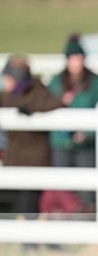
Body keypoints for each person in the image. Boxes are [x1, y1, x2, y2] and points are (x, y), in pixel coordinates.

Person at [0, 54, 63, 220]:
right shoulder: (6, 95)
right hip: (14, 158)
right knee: (18, 204)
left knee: (29, 204)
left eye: (7, 78)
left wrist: (30, 109)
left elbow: (56, 104)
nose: (4, 81)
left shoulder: (38, 92)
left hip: (35, 158)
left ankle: (31, 233)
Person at [47, 33, 98, 213]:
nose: (76, 63)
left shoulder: (94, 82)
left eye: (79, 58)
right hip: (61, 141)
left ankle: (89, 217)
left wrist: (87, 133)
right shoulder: (57, 82)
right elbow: (48, 105)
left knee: (88, 188)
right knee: (62, 187)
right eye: (73, 59)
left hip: (85, 143)